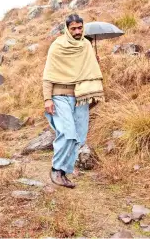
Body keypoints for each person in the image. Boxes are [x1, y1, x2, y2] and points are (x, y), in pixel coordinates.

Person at [43, 14, 105, 188]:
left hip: (81, 97)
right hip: (60, 95)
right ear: (67, 29)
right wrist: (47, 99)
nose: (77, 31)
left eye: (80, 28)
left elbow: (88, 71)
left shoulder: (86, 45)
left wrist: (95, 63)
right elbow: (48, 75)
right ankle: (56, 169)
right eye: (74, 29)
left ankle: (63, 172)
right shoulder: (58, 46)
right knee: (67, 133)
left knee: (79, 136)